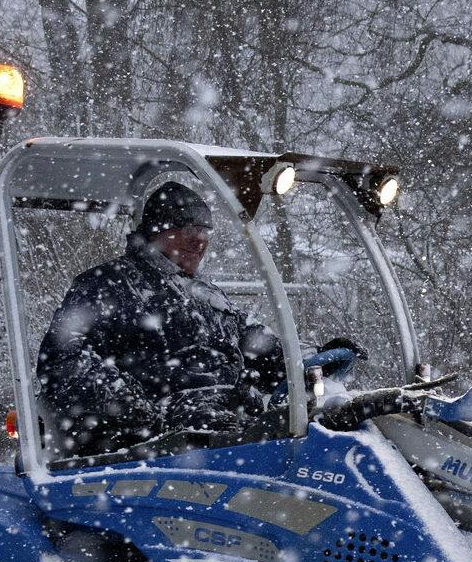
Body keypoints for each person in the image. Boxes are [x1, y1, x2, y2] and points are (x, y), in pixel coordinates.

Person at [35, 182, 286, 457]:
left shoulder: (207, 295)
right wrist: (142, 413)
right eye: (189, 230)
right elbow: (64, 362)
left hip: (231, 432)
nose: (199, 240)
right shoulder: (108, 286)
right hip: (153, 449)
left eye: (204, 231)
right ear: (157, 232)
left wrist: (303, 365)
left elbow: (258, 346)